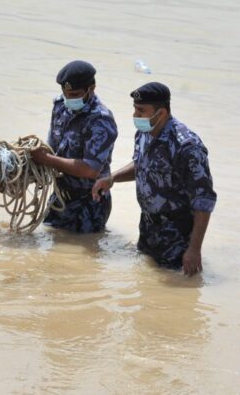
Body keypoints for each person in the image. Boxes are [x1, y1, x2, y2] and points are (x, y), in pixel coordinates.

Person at [92, 82, 215, 275]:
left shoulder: (187, 147)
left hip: (177, 235)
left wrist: (194, 249)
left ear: (162, 113)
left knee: (177, 285)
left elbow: (204, 200)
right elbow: (142, 165)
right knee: (147, 282)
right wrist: (112, 178)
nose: (135, 115)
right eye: (135, 109)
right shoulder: (145, 133)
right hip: (148, 227)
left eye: (141, 110)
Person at [30, 60, 118, 232]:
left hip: (88, 204)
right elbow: (52, 149)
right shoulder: (60, 106)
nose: (69, 99)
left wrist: (46, 159)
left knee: (81, 247)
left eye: (75, 94)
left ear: (91, 88)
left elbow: (90, 169)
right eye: (66, 94)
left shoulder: (100, 120)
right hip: (59, 198)